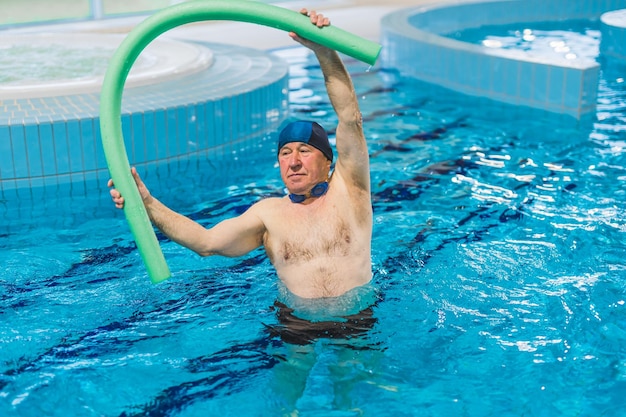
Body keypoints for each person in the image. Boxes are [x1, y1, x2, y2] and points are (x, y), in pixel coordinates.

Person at [108, 9, 372, 301]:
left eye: (304, 151)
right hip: (296, 325)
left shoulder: (349, 189)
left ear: (328, 162)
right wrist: (146, 202)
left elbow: (350, 117)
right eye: (285, 153)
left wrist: (324, 50)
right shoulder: (267, 215)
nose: (293, 161)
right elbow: (205, 243)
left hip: (357, 321)